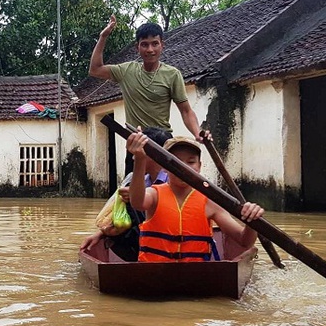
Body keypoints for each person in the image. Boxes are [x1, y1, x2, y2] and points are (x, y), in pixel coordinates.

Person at [89, 15, 206, 173]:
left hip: (163, 142)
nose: (150, 50)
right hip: (136, 141)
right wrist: (103, 36)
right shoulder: (126, 70)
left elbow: (186, 110)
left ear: (161, 45)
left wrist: (198, 133)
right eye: (144, 45)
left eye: (154, 44)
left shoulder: (172, 74)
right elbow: (95, 69)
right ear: (137, 47)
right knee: (132, 194)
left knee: (164, 190)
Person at [127, 131, 264, 263]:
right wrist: (140, 160)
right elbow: (137, 202)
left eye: (191, 162)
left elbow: (244, 241)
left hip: (195, 276)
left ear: (199, 166)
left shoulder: (210, 201)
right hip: (154, 274)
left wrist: (251, 222)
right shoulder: (154, 194)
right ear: (164, 167)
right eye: (176, 161)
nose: (183, 167)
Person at [79, 127, 171, 261]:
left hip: (167, 239)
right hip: (145, 242)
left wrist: (137, 197)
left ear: (154, 155)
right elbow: (115, 216)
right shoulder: (135, 180)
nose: (134, 157)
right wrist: (100, 234)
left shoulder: (175, 181)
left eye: (139, 151)